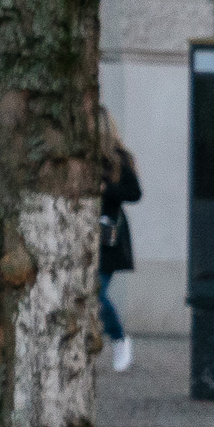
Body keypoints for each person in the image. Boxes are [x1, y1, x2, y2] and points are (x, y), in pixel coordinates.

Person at [99, 108, 142, 371]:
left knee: (96, 291)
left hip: (106, 235)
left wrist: (105, 189)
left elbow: (134, 192)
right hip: (81, 232)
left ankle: (119, 338)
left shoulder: (120, 159)